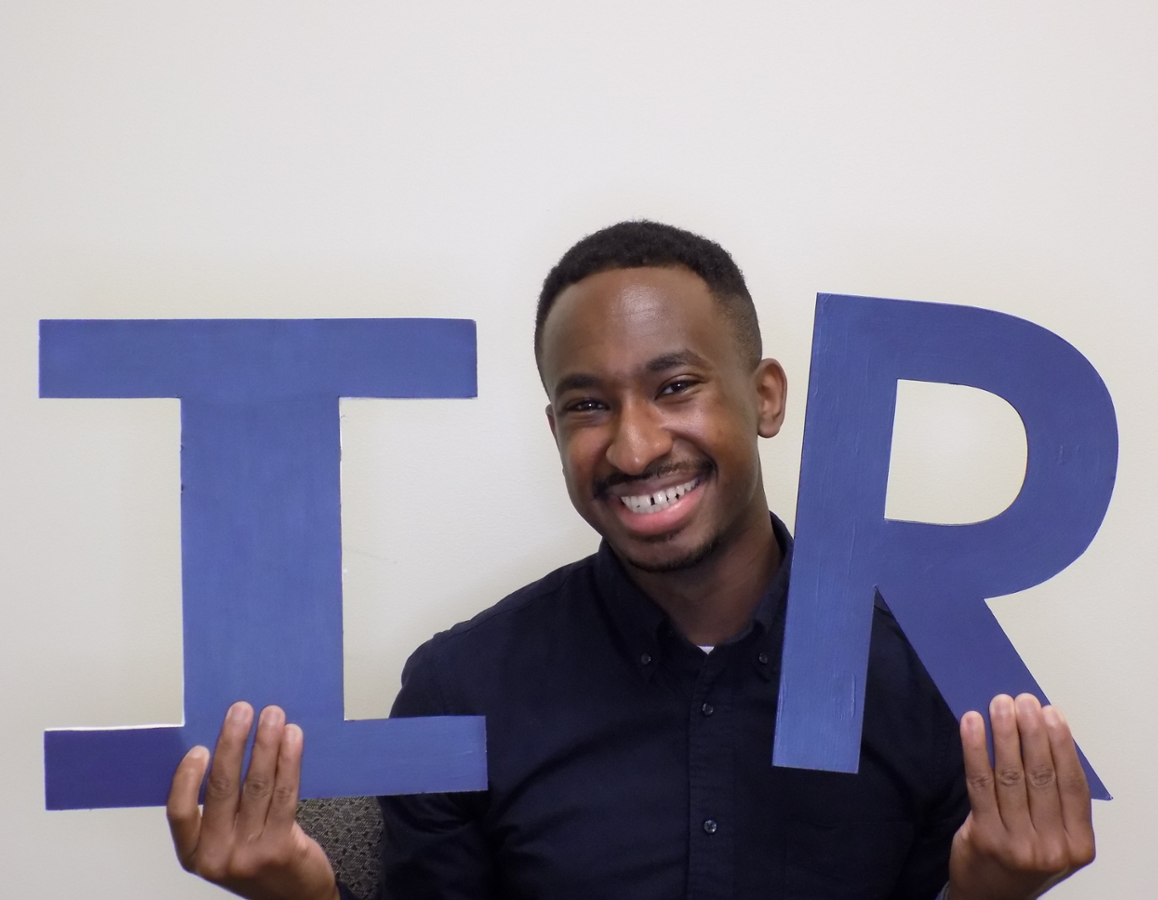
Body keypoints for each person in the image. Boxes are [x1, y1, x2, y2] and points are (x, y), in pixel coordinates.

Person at [166, 221, 1096, 900]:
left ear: (765, 396)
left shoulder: (932, 680)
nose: (635, 446)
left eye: (677, 386)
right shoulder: (465, 685)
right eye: (587, 405)